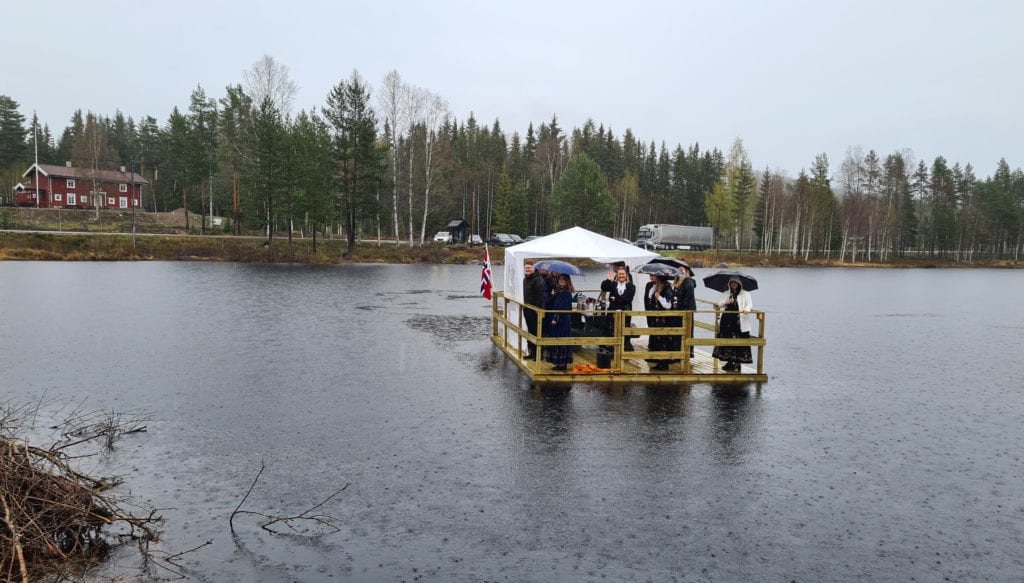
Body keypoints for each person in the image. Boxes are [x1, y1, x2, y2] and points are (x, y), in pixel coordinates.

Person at [712, 277, 753, 371]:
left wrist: (747, 309)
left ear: (739, 284)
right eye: (732, 283)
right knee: (727, 340)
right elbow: (719, 304)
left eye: (735, 283)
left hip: (739, 321)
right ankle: (729, 362)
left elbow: (749, 304)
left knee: (739, 341)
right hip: (727, 321)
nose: (733, 284)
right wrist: (725, 302)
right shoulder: (727, 293)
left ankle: (737, 364)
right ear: (729, 284)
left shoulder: (745, 293)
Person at [600, 267, 636, 351]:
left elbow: (628, 299)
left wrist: (615, 299)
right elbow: (604, 287)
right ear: (617, 275)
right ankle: (611, 350)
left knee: (624, 330)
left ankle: (624, 349)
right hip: (613, 312)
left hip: (625, 312)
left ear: (626, 275)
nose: (621, 276)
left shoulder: (631, 286)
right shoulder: (613, 284)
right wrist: (608, 280)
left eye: (623, 274)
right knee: (611, 330)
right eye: (619, 274)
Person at [544, 274, 575, 370]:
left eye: (563, 280)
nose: (561, 281)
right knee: (556, 340)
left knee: (562, 340)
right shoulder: (559, 291)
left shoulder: (567, 293)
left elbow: (564, 308)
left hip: (563, 320)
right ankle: (558, 363)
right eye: (560, 280)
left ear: (567, 281)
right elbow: (554, 305)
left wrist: (556, 319)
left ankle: (562, 364)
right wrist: (553, 296)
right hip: (557, 317)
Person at [645, 274, 674, 370]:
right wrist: (654, 288)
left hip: (665, 319)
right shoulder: (656, 287)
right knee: (657, 340)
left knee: (664, 341)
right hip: (658, 319)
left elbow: (668, 305)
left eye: (655, 277)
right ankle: (659, 362)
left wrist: (659, 297)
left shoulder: (668, 288)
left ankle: (664, 364)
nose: (652, 278)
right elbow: (649, 296)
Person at [669, 264, 697, 358]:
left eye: (682, 270)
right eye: (678, 270)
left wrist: (681, 310)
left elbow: (687, 298)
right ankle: (677, 351)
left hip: (686, 312)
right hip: (677, 311)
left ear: (686, 271)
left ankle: (687, 353)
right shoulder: (676, 281)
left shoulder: (688, 282)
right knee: (677, 332)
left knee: (687, 332)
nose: (680, 271)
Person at [522, 262, 547, 360]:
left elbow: (541, 296)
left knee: (537, 332)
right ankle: (532, 352)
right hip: (527, 309)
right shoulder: (525, 279)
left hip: (535, 310)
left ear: (534, 269)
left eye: (529, 267)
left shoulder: (538, 279)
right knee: (530, 331)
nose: (527, 269)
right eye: (526, 268)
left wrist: (538, 309)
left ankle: (539, 354)